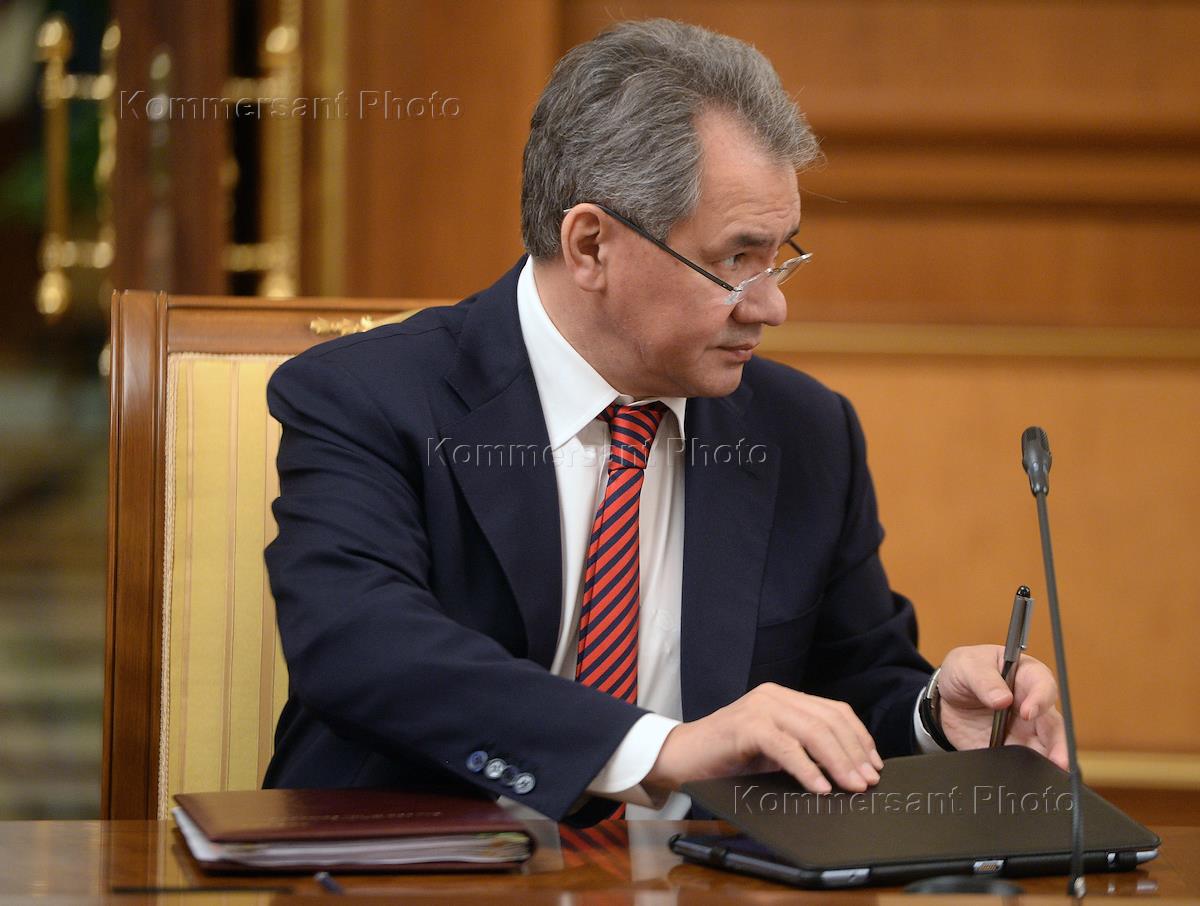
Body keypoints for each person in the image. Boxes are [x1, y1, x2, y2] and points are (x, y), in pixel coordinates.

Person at [263, 19, 1067, 823]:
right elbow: (361, 644)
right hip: (418, 863)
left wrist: (934, 715)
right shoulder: (370, 398)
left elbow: (852, 683)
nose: (772, 306)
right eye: (736, 260)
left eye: (781, 256)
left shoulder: (804, 431)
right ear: (591, 245)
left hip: (706, 874)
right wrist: (656, 750)